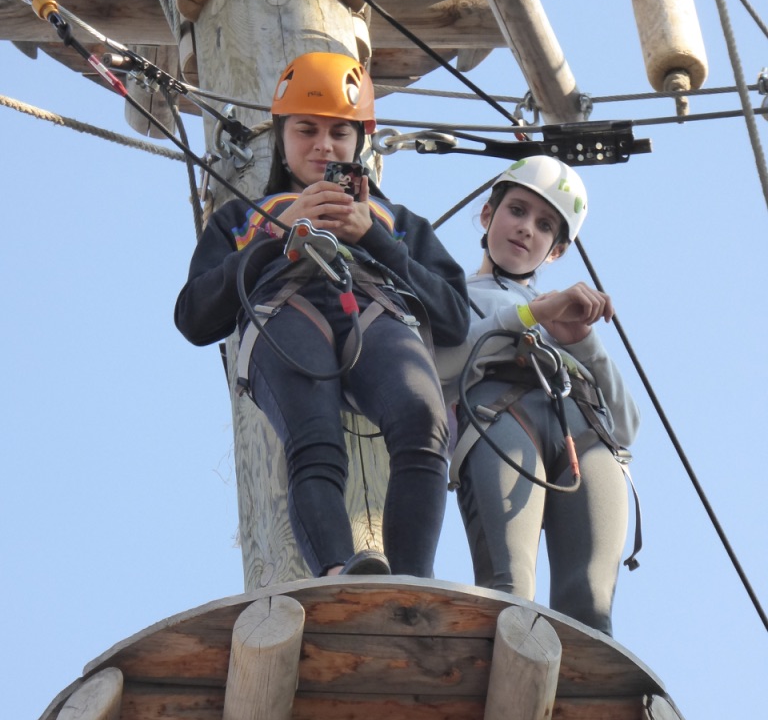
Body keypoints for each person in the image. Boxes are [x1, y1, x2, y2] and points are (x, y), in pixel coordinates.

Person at [175, 51, 469, 578]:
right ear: (281, 135)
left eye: (339, 132)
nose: (323, 145)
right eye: (306, 130)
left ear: (360, 141)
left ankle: (410, 581)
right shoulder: (243, 216)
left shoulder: (395, 221)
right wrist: (274, 234)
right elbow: (195, 316)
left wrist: (372, 236)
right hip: (284, 311)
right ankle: (336, 573)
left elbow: (453, 317)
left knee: (423, 420)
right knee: (314, 439)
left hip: (373, 311)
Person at [436, 156, 639, 635]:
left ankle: (580, 682)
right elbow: (438, 364)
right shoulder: (454, 296)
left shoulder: (564, 316)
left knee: (590, 609)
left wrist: (583, 342)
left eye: (545, 225)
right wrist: (530, 317)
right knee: (510, 589)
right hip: (501, 414)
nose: (527, 228)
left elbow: (626, 425)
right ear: (488, 215)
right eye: (517, 211)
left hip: (583, 430)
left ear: (556, 251)